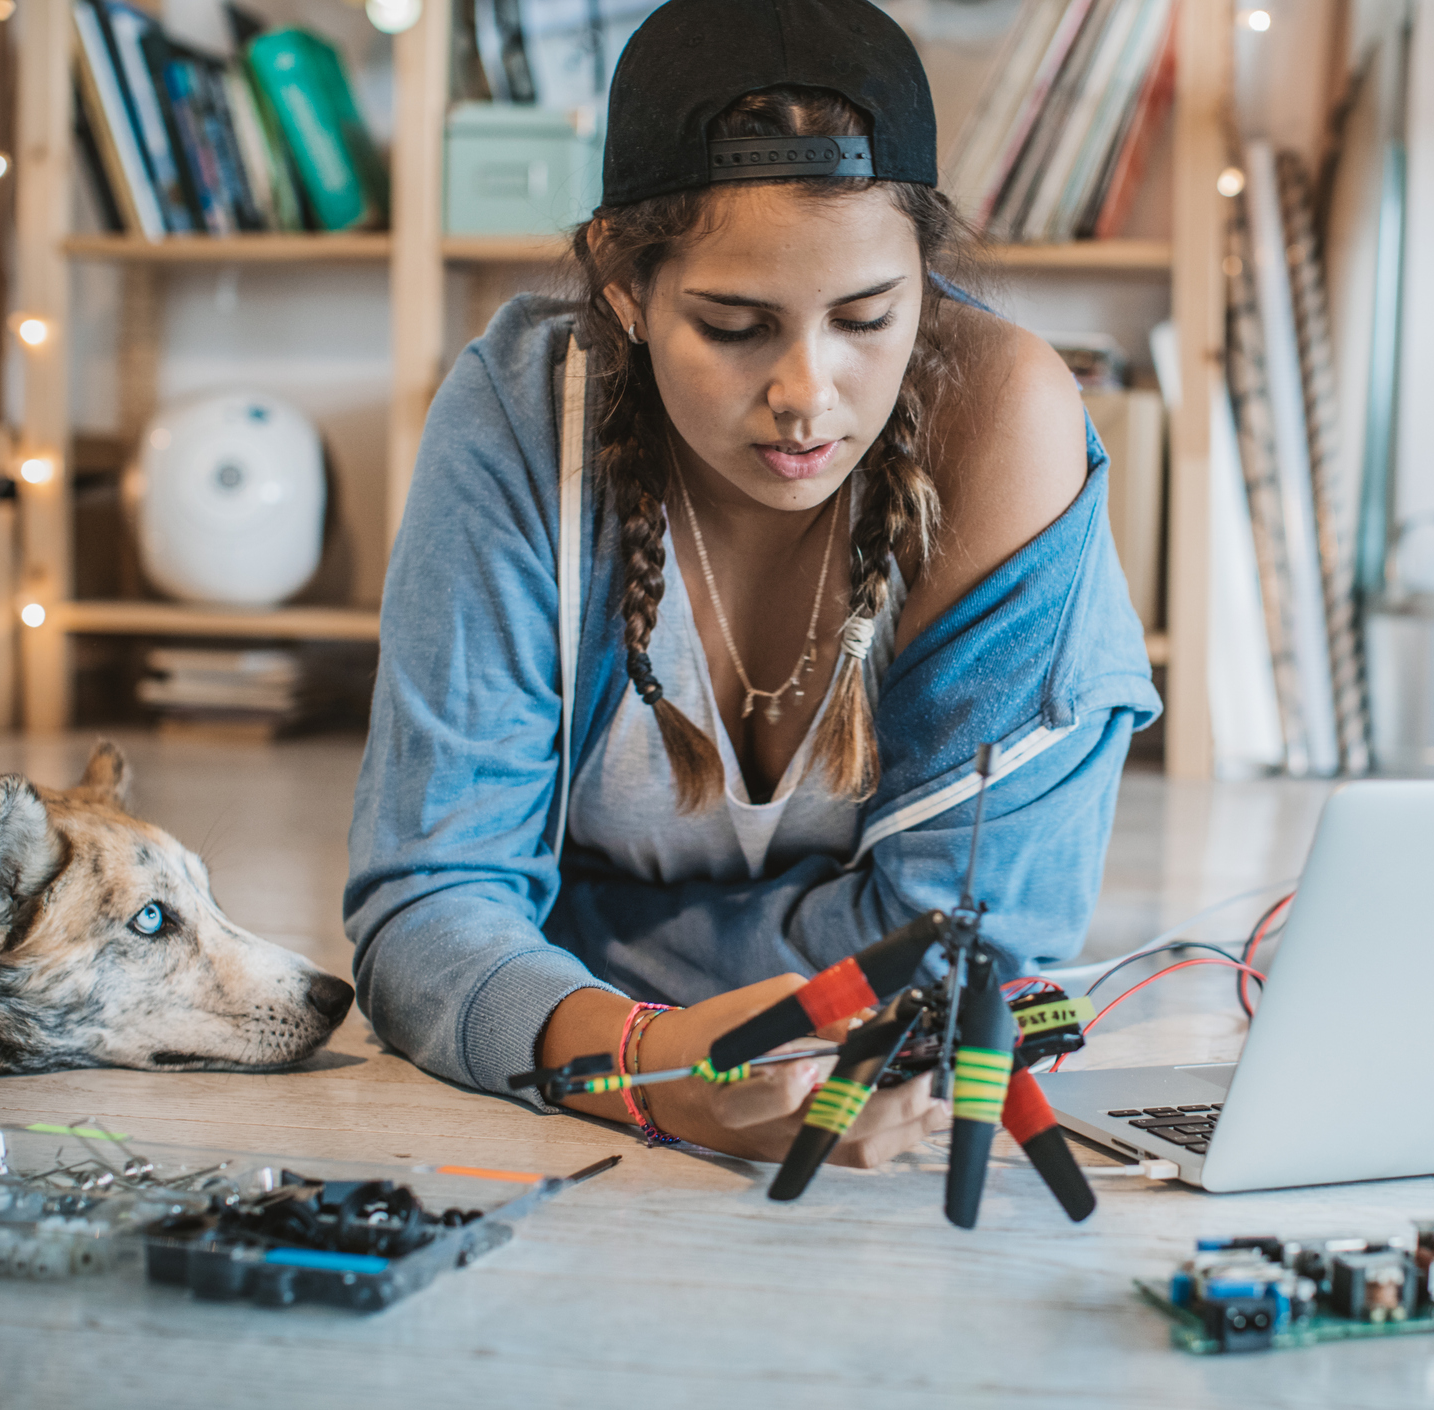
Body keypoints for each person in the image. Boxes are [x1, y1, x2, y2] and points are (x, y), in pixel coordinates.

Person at [345, 0, 1159, 1165]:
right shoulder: (522, 417)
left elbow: (973, 948)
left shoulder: (1002, 419)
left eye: (867, 318)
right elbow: (421, 913)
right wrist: (647, 1073)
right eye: (733, 325)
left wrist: (569, 958)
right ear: (622, 290)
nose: (807, 396)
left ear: (923, 284)